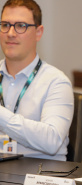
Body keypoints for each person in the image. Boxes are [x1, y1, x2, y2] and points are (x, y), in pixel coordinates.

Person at [0, 0, 74, 161]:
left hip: (39, 176)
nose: (11, 33)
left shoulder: (57, 82)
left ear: (38, 33)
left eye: (20, 26)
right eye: (5, 24)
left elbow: (52, 141)